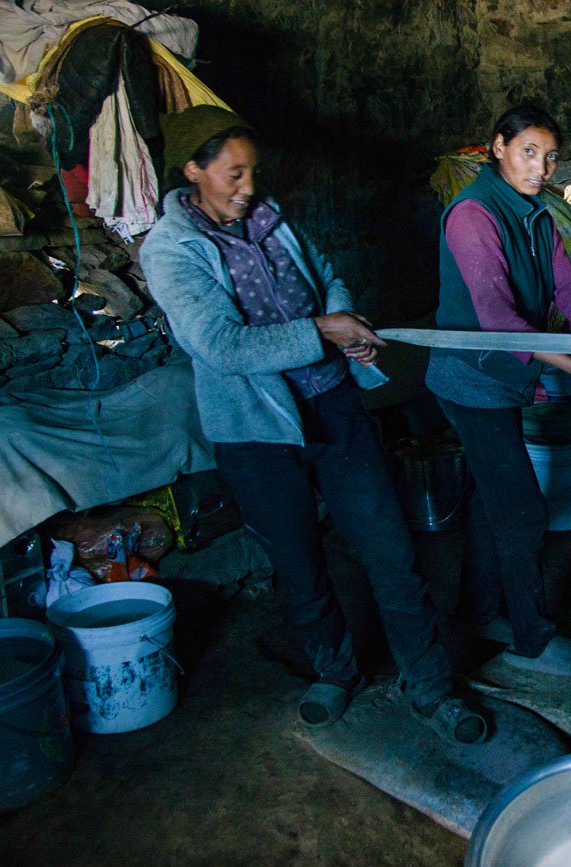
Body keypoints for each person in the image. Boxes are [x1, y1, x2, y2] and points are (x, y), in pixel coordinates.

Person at [140, 105, 487, 743]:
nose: (248, 186)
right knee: (299, 562)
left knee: (390, 549)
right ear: (193, 171)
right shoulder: (170, 250)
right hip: (256, 430)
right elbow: (222, 346)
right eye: (233, 174)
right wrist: (325, 331)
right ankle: (334, 672)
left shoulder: (272, 215)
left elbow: (327, 277)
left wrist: (344, 320)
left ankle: (431, 685)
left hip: (334, 404)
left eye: (253, 172)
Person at [425, 103, 571, 673]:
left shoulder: (537, 213)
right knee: (519, 509)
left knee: (495, 503)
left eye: (551, 157)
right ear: (498, 147)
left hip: (507, 375)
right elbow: (497, 318)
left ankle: (477, 612)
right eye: (528, 152)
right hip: (471, 378)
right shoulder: (472, 214)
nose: (541, 168)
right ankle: (530, 637)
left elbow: (568, 285)